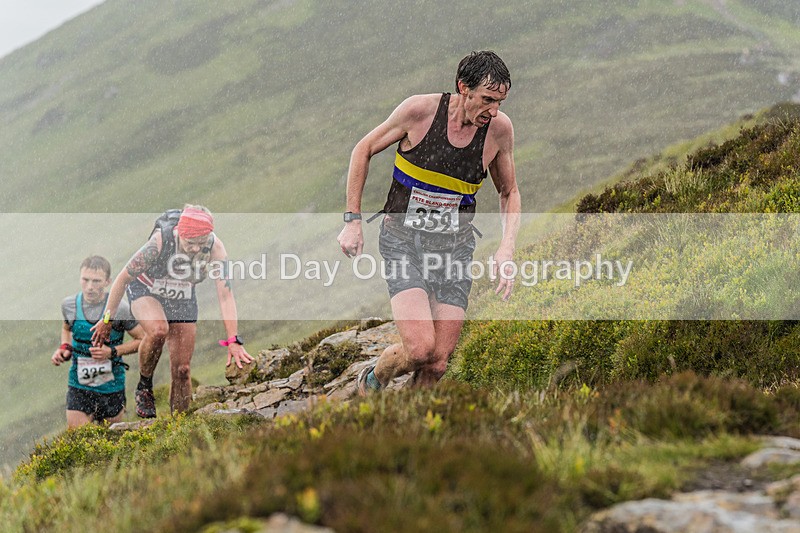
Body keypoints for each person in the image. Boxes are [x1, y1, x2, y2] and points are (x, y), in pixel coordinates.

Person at [337, 51, 521, 394]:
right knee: (420, 350)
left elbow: (509, 191)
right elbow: (363, 149)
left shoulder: (498, 131)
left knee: (437, 363)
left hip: (453, 251)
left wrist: (506, 249)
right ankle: (373, 380)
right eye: (487, 100)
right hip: (403, 242)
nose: (493, 110)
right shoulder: (419, 112)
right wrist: (352, 221)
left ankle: (409, 429)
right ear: (462, 88)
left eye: (499, 102)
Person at [91, 205, 253, 417]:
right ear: (180, 233)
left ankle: (180, 426)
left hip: (182, 296)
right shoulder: (160, 242)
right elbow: (122, 279)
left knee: (183, 370)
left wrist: (233, 340)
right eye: (190, 243)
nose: (195, 249)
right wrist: (107, 319)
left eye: (201, 243)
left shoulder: (215, 248)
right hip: (147, 289)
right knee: (159, 329)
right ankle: (145, 387)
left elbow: (225, 294)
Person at [52, 256, 144, 428]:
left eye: (96, 281)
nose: (90, 287)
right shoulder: (69, 305)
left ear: (108, 282)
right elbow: (66, 328)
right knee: (79, 442)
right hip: (79, 386)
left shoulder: (120, 309)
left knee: (112, 443)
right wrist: (65, 347)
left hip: (111, 387)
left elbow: (142, 339)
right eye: (85, 280)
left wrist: (112, 352)